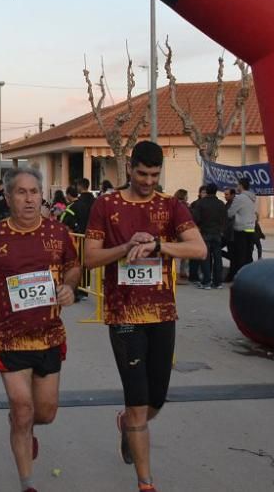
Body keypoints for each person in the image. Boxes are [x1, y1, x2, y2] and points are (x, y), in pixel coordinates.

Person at [82, 141, 206, 492]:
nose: (149, 181)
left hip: (162, 312)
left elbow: (199, 248)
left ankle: (126, 424)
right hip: (123, 314)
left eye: (154, 174)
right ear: (129, 168)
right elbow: (90, 259)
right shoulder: (106, 205)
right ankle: (146, 482)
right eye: (142, 173)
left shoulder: (172, 206)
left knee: (156, 400)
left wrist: (157, 245)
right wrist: (126, 248)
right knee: (138, 402)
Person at [0, 167, 81, 492]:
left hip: (49, 335)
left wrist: (69, 286)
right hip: (9, 337)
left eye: (34, 192)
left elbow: (73, 266)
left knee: (45, 412)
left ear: (42, 195)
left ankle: (24, 428)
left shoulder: (58, 232)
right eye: (21, 192)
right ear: (9, 198)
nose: (29, 199)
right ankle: (27, 482)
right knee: (22, 407)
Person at [192, 184, 228, 289]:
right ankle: (218, 282)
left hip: (204, 233)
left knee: (205, 258)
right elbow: (225, 219)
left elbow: (195, 218)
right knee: (218, 258)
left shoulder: (201, 203)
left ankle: (206, 281)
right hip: (217, 234)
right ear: (216, 191)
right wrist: (221, 230)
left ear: (206, 191)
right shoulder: (221, 204)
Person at [225, 177, 257, 283]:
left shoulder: (240, 198)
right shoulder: (252, 197)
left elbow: (230, 213)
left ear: (241, 186)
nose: (236, 187)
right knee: (248, 253)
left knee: (240, 254)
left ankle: (240, 277)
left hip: (241, 228)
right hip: (250, 228)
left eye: (237, 185)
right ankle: (249, 276)